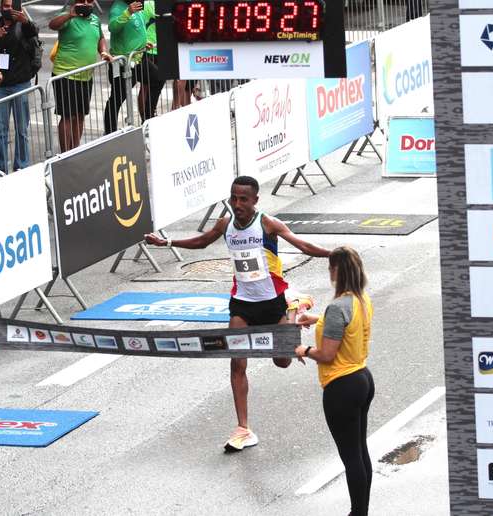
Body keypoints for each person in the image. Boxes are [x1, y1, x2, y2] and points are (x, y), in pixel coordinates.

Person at [144, 176, 331, 451]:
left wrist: (334, 254)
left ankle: (295, 307)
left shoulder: (267, 223)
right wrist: (167, 242)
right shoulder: (225, 224)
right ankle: (243, 428)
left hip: (273, 303)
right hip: (242, 304)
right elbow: (202, 242)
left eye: (244, 199)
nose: (237, 204)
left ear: (255, 200)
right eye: (234, 198)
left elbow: (302, 245)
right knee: (236, 362)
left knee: (281, 361)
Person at [295, 246, 375, 516]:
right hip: (362, 378)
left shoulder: (337, 306)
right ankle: (362, 510)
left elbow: (327, 354)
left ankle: (358, 513)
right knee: (360, 451)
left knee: (350, 456)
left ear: (336, 271)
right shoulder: (360, 299)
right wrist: (317, 320)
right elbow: (345, 326)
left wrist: (303, 350)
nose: (328, 271)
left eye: (330, 267)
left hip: (341, 386)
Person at [0, 0, 38, 173]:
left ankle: (21, 166)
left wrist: (24, 19)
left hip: (21, 84)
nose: (9, 9)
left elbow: (33, 32)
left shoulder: (23, 25)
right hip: (1, 86)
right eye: (6, 6)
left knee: (22, 130)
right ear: (0, 8)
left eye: (13, 6)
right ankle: (0, 169)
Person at [49, 0, 112, 152]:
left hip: (86, 76)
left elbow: (101, 38)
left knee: (80, 115)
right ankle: (65, 153)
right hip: (66, 75)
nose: (85, 3)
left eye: (89, 1)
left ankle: (75, 149)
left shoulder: (95, 19)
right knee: (67, 115)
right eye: (82, 1)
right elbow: (53, 25)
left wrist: (103, 51)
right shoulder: (67, 18)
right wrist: (69, 15)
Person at [104, 0, 164, 134]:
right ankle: (110, 132)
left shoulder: (136, 6)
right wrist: (128, 13)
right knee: (117, 98)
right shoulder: (118, 7)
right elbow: (113, 27)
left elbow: (136, 28)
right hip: (123, 63)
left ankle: (148, 119)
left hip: (138, 58)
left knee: (158, 79)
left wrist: (143, 41)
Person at [138, 1, 165, 118]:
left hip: (160, 49)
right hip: (149, 50)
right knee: (145, 86)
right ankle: (144, 117)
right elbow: (163, 15)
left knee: (156, 84)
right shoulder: (149, 3)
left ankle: (150, 113)